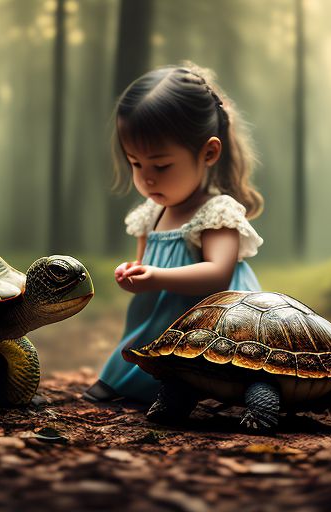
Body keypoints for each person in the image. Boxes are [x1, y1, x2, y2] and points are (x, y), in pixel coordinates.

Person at [84, 63, 265, 404]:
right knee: (144, 340)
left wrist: (157, 277)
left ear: (208, 152)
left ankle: (193, 392)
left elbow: (218, 274)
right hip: (159, 316)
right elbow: (146, 263)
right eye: (135, 164)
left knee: (193, 365)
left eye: (161, 165)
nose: (147, 179)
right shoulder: (151, 214)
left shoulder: (216, 212)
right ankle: (125, 381)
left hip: (212, 324)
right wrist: (134, 274)